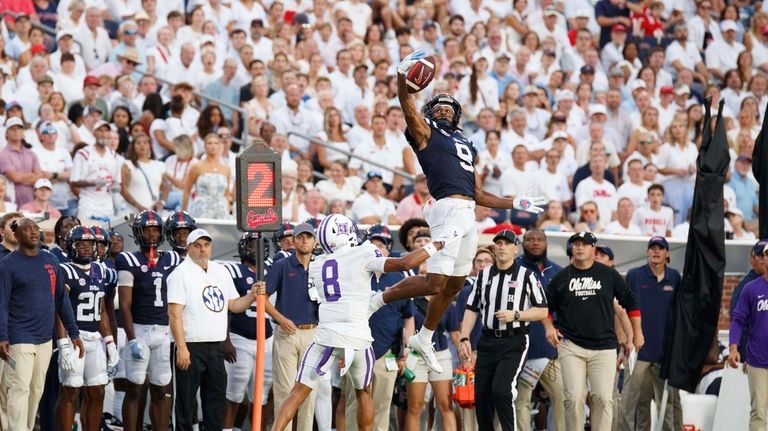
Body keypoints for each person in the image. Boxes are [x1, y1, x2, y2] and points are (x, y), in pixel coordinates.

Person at [369, 49, 545, 374]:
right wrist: (401, 79)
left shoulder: (466, 142)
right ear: (430, 112)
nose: (446, 110)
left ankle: (424, 336)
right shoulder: (425, 132)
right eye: (440, 106)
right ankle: (378, 299)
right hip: (448, 208)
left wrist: (513, 203)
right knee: (434, 282)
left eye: (450, 107)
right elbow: (408, 109)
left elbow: (478, 193)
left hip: (467, 210)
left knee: (453, 285)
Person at [271, 214, 449, 431]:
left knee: (298, 391)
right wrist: (437, 245)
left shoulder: (318, 264)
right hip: (358, 336)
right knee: (363, 392)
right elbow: (405, 263)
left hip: (328, 334)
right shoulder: (363, 251)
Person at [543, 231, 644, 431]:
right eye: (576, 244)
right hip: (571, 346)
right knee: (573, 398)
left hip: (604, 347)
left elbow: (631, 303)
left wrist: (637, 333)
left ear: (593, 249)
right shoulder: (561, 277)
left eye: (585, 244)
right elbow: (545, 308)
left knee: (604, 399)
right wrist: (548, 328)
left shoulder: (608, 275)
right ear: (571, 248)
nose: (579, 247)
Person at [167, 228, 263, 430]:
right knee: (185, 403)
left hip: (216, 346)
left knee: (215, 403)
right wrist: (182, 348)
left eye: (207, 245)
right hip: (190, 346)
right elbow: (174, 313)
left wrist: (252, 295)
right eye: (198, 246)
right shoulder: (180, 274)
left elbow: (234, 304)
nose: (203, 250)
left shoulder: (220, 271)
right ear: (189, 248)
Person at [458, 229, 549, 430]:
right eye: (498, 243)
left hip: (514, 339)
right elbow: (472, 308)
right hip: (488, 339)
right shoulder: (483, 276)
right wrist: (464, 337)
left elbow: (542, 310)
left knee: (501, 391)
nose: (501, 247)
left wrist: (516, 315)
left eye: (507, 243)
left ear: (515, 249)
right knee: (480, 394)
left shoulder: (527, 276)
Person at [0, 217, 83, 431]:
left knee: (36, 390)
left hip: (45, 339)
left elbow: (61, 300)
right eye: (27, 228)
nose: (34, 232)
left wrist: (74, 332)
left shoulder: (51, 261)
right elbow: (1, 304)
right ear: (16, 235)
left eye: (35, 228)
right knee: (19, 388)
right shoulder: (7, 265)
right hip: (18, 339)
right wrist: (2, 336)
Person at [341, 224, 414, 431]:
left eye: (381, 245)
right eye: (372, 244)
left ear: (388, 250)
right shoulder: (354, 275)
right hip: (355, 350)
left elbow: (408, 316)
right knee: (353, 404)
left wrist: (405, 351)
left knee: (382, 407)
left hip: (386, 354)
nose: (376, 249)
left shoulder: (399, 278)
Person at [115, 210, 182, 431]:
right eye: (147, 229)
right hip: (140, 330)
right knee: (134, 388)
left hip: (164, 331)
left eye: (155, 230)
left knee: (161, 390)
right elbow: (124, 303)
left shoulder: (172, 258)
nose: (151, 234)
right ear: (138, 232)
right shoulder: (128, 259)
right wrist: (132, 338)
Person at [54, 226, 119, 431]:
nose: (85, 248)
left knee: (97, 391)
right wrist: (63, 343)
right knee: (70, 391)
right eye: (80, 244)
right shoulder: (64, 270)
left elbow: (101, 310)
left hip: (94, 338)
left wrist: (109, 342)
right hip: (75, 338)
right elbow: (59, 310)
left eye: (89, 244)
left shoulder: (100, 269)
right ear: (71, 247)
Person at [619, 236, 682, 431]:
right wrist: (624, 342)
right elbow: (621, 309)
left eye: (660, 248)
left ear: (667, 253)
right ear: (647, 252)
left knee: (667, 403)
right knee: (630, 402)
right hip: (638, 350)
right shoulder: (634, 276)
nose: (656, 251)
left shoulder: (675, 278)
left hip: (665, 351)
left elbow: (680, 313)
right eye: (652, 248)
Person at [265, 223, 320, 431]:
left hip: (314, 333)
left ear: (315, 241)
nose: (304, 240)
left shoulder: (321, 266)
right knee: (284, 390)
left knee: (309, 392)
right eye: (300, 237)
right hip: (287, 333)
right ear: (294, 240)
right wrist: (280, 318)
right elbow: (263, 298)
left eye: (308, 237)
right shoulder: (282, 265)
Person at [513, 229, 566, 431]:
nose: (535, 243)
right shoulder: (514, 268)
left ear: (546, 243)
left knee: (562, 396)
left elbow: (565, 306)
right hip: (522, 346)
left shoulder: (558, 270)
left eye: (539, 240)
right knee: (522, 399)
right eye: (530, 240)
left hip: (550, 348)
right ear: (522, 243)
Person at [222, 232, 274, 431]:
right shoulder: (232, 271)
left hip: (267, 338)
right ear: (243, 248)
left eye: (258, 245)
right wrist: (226, 339)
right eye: (251, 245)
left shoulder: (271, 270)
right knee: (235, 389)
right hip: (240, 337)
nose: (255, 249)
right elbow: (226, 306)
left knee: (262, 394)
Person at [728, 242, 768, 431]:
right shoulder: (750, 288)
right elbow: (738, 319)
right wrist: (734, 348)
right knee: (758, 412)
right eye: (765, 254)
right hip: (758, 361)